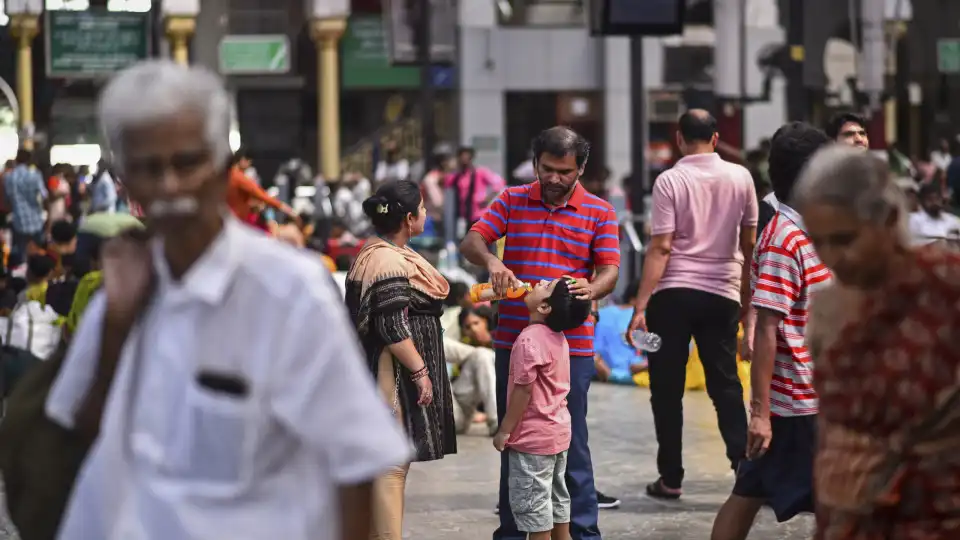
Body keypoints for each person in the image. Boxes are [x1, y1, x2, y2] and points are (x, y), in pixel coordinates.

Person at [44, 60, 411, 540]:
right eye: (149, 168)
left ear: (221, 171)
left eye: (187, 163)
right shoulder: (119, 291)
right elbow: (77, 435)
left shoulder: (289, 292)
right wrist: (118, 322)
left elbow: (356, 461)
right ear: (127, 185)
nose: (170, 185)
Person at [791, 144, 960, 539]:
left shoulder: (945, 285)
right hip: (849, 516)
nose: (833, 256)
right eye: (820, 242)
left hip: (937, 512)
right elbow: (833, 428)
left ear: (886, 219)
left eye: (845, 239)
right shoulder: (828, 310)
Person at [461, 126, 620, 540]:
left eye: (564, 171)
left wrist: (593, 288)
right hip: (513, 344)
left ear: (580, 168)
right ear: (535, 164)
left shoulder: (600, 212)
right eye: (546, 169)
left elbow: (609, 271)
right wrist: (493, 263)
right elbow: (473, 240)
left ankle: (583, 533)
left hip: (573, 349)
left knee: (571, 444)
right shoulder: (513, 200)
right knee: (514, 442)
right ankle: (514, 532)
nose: (553, 178)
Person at [710, 122, 833, 540]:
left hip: (809, 396)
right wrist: (761, 415)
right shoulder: (784, 241)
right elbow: (766, 329)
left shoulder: (807, 231)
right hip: (797, 404)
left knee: (750, 491)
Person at [626, 109, 756, 499]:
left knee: (666, 388)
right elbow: (749, 246)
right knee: (726, 386)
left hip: (673, 296)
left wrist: (640, 306)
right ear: (716, 138)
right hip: (723, 294)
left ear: (680, 139)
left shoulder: (670, 180)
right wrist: (747, 303)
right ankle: (744, 469)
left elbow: (661, 246)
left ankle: (671, 477)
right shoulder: (742, 177)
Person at [345, 179, 458, 539]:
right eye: (422, 209)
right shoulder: (387, 260)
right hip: (388, 370)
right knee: (391, 466)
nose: (426, 213)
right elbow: (391, 325)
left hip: (385, 368)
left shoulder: (379, 251)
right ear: (410, 218)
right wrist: (420, 370)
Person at [493, 278, 592, 540]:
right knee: (557, 500)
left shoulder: (528, 342)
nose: (538, 282)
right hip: (558, 434)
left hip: (532, 439)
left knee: (535, 512)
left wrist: (505, 429)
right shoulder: (558, 338)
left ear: (546, 307)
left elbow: (523, 391)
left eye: (546, 286)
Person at [446, 145, 506, 238]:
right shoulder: (457, 175)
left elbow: (499, 183)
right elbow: (446, 182)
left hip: (479, 215)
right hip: (464, 216)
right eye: (462, 157)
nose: (464, 160)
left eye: (467, 157)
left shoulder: (480, 172)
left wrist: (487, 198)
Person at [225, 151, 299, 226]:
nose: (249, 165)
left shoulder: (228, 175)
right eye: (249, 162)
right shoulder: (238, 177)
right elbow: (259, 194)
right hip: (238, 220)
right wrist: (281, 206)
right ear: (242, 160)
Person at [5, 149, 47, 269]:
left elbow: (8, 198)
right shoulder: (35, 174)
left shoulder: (9, 177)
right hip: (36, 220)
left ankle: (22, 277)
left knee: (20, 252)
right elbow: (44, 195)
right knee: (38, 252)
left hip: (19, 220)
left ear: (17, 159)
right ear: (29, 160)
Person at [908, 182, 960, 247]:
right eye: (930, 200)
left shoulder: (952, 219)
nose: (935, 203)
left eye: (937, 199)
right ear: (922, 201)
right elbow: (911, 245)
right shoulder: (913, 220)